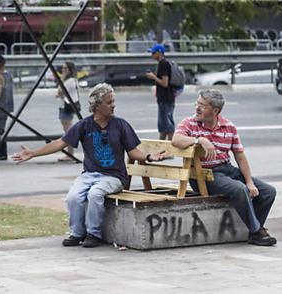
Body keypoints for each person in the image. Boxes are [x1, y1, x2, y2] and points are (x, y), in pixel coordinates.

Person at [13, 83, 165, 248]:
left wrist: (149, 156)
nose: (113, 105)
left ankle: (94, 234)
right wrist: (33, 153)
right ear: (97, 106)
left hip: (114, 176)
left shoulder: (120, 125)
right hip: (89, 175)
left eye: (113, 101)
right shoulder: (84, 125)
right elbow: (59, 143)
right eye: (109, 102)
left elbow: (133, 152)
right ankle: (77, 233)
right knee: (73, 197)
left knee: (94, 194)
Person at [171, 89, 277, 246]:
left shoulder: (229, 127)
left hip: (227, 169)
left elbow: (240, 156)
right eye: (197, 103)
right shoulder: (189, 123)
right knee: (240, 189)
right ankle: (256, 232)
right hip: (205, 175)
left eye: (202, 105)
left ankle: (255, 229)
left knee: (268, 191)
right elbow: (176, 139)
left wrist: (250, 182)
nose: (197, 108)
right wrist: (199, 140)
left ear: (215, 111)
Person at [145, 43, 176, 141]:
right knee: (163, 126)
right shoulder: (161, 64)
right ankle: (160, 148)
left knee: (168, 126)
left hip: (166, 99)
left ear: (160, 52)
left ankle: (170, 149)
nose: (152, 55)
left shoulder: (164, 64)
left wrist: (153, 77)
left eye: (153, 53)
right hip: (164, 98)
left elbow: (164, 83)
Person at [56, 61, 81, 162]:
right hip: (64, 106)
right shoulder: (69, 80)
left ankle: (70, 154)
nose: (63, 70)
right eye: (62, 68)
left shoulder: (70, 80)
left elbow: (60, 92)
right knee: (67, 130)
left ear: (70, 70)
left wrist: (62, 78)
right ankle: (69, 153)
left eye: (66, 68)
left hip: (67, 106)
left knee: (68, 131)